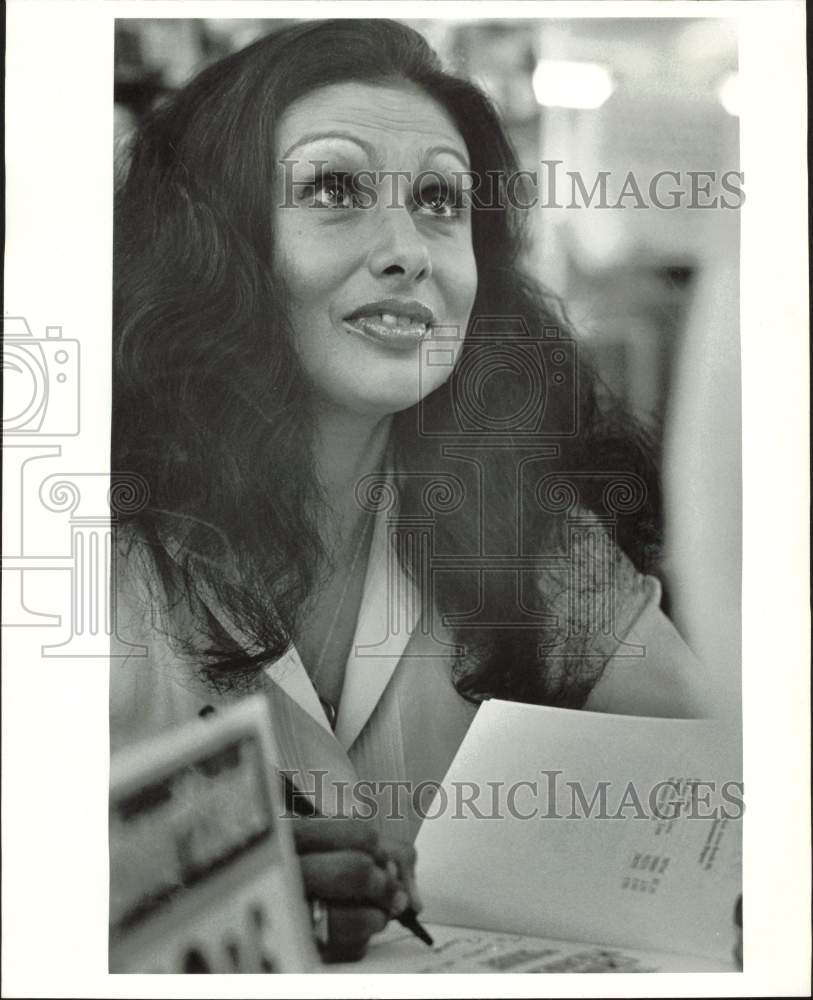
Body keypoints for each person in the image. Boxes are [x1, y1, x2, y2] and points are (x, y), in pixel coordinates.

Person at [111, 18, 714, 963]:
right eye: (334, 189)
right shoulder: (84, 541)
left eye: (441, 202)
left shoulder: (531, 531)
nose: (409, 249)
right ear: (210, 242)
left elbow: (721, 786)